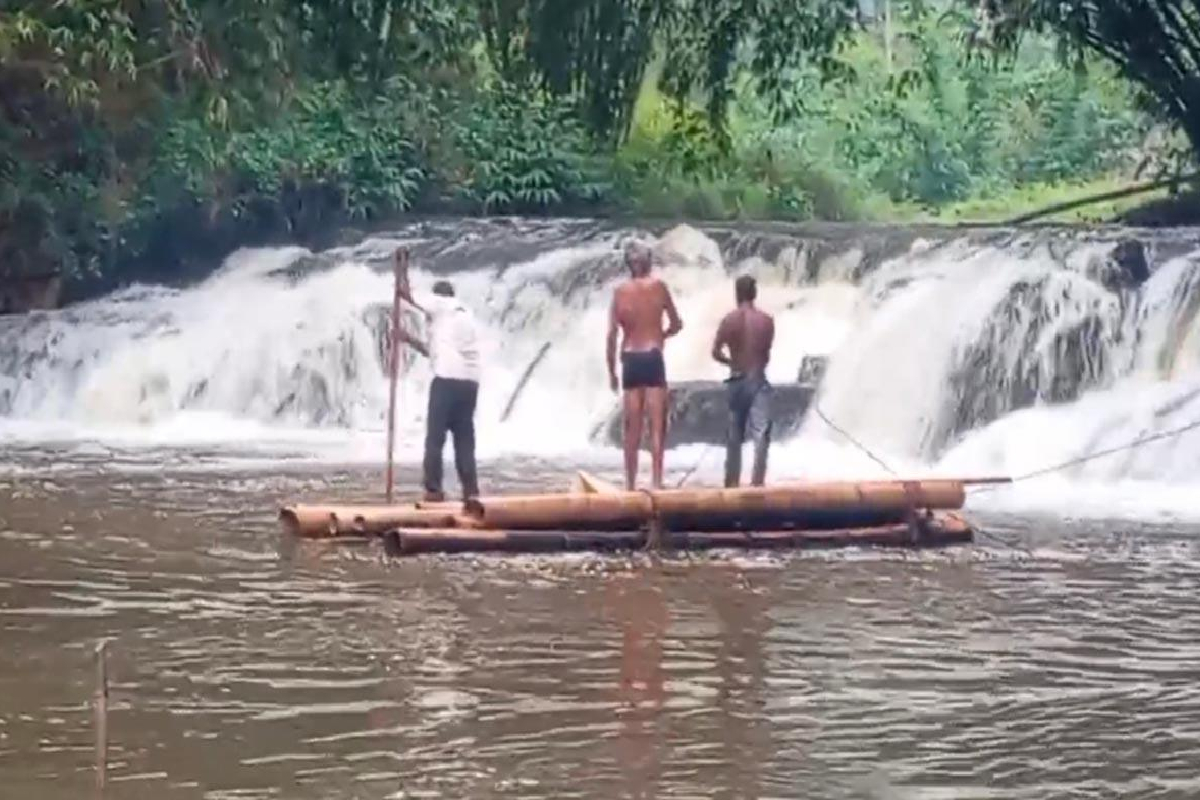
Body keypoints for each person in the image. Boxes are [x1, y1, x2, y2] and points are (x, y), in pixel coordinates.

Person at [394, 258, 482, 508]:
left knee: (435, 438)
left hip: (446, 383)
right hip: (470, 384)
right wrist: (409, 339)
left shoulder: (442, 304)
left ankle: (433, 491)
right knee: (464, 438)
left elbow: (407, 296)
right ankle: (471, 491)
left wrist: (402, 270)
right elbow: (437, 353)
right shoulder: (464, 315)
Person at [606, 241, 683, 490]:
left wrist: (611, 372)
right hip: (652, 356)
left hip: (629, 358)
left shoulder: (619, 292)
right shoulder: (659, 287)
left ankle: (629, 484)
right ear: (648, 263)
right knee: (656, 426)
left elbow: (611, 335)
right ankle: (657, 482)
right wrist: (662, 335)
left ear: (629, 265)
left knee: (632, 428)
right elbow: (676, 323)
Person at [711, 275, 775, 487]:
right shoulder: (767, 320)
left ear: (737, 294)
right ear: (754, 294)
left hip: (737, 379)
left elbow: (715, 352)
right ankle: (757, 483)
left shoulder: (729, 320)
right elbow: (766, 354)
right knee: (761, 434)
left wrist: (732, 362)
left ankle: (731, 483)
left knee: (734, 434)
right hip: (758, 378)